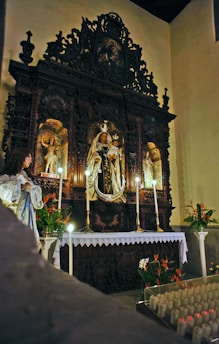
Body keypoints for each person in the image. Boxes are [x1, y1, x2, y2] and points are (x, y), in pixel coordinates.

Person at [0, 148, 43, 250]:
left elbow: (37, 193)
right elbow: (2, 189)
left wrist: (31, 189)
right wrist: (19, 187)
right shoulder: (8, 176)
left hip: (27, 218)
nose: (31, 160)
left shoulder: (26, 176)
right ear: (21, 158)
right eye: (29, 157)